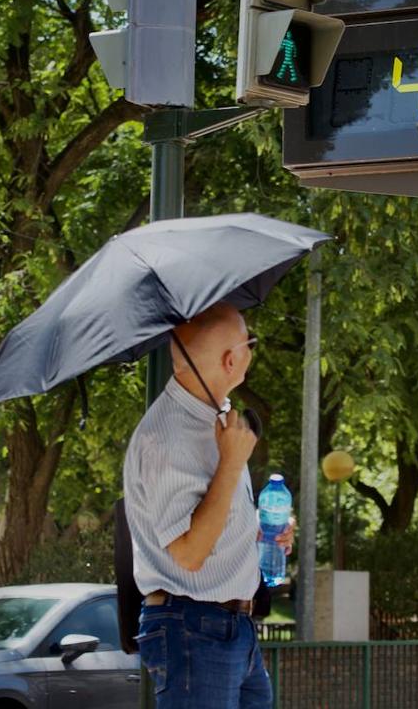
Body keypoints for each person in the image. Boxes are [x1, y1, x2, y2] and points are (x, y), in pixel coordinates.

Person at [123, 303, 295, 708]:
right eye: (250, 341)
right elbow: (189, 552)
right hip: (194, 629)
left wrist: (260, 534)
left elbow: (208, 522)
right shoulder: (165, 438)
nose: (253, 350)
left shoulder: (211, 420)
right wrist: (233, 461)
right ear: (230, 359)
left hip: (229, 626)